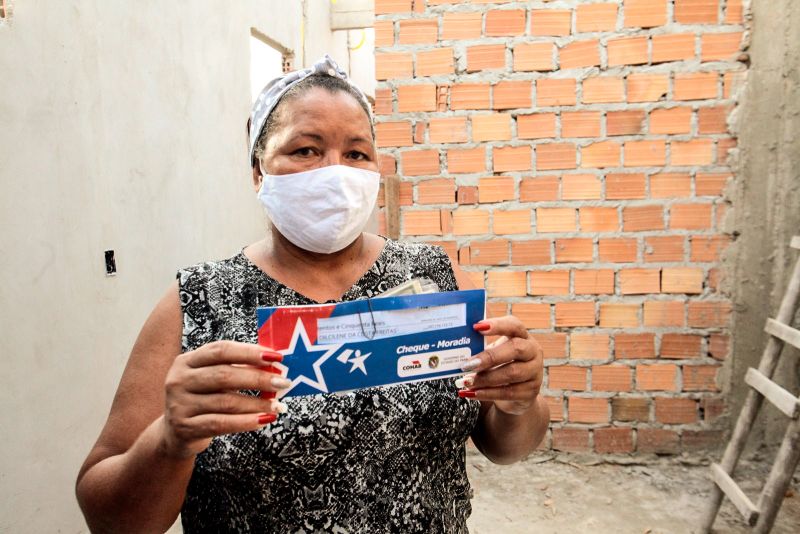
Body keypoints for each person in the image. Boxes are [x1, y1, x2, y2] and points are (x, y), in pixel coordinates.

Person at [76, 55, 549, 533]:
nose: (335, 173)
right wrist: (169, 440)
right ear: (259, 171)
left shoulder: (436, 280)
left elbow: (506, 445)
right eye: (305, 150)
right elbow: (110, 518)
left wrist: (519, 402)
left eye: (357, 154)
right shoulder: (200, 302)